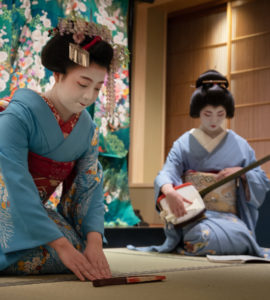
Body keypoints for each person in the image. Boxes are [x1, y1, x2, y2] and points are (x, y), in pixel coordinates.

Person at [0, 17, 127, 280]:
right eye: (82, 83)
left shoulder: (87, 130)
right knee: (63, 250)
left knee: (78, 248)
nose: (89, 96)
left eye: (97, 87)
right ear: (58, 74)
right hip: (7, 205)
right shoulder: (18, 116)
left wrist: (94, 243)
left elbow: (88, 186)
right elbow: (16, 183)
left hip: (31, 213)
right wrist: (61, 246)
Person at [128, 70, 270, 257]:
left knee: (242, 236)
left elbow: (261, 180)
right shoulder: (184, 143)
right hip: (195, 216)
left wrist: (242, 172)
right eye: (207, 113)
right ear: (198, 112)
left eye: (220, 114)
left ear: (227, 113)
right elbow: (166, 173)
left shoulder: (240, 144)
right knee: (202, 237)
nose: (214, 120)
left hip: (228, 216)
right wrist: (169, 192)